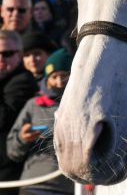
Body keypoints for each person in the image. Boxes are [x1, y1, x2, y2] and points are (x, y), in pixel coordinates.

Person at [7, 48, 74, 195]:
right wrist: (22, 139)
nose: (59, 81)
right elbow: (12, 151)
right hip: (33, 185)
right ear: (47, 79)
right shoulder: (33, 105)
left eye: (65, 75)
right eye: (54, 76)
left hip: (68, 187)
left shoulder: (82, 106)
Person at [0, 30, 38, 195]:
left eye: (7, 54)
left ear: (20, 55)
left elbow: (3, 118)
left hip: (10, 168)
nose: (1, 58)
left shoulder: (22, 80)